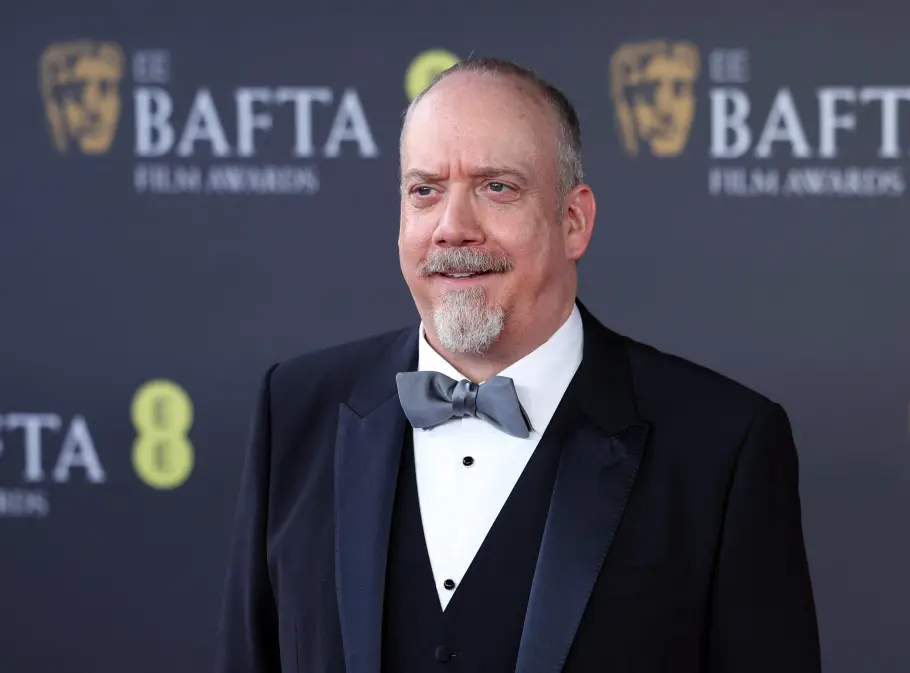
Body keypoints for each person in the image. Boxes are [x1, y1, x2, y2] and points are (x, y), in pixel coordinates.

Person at [214, 57, 821, 673]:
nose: (453, 228)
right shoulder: (296, 408)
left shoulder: (722, 444)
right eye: (425, 191)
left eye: (496, 188)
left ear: (574, 220)